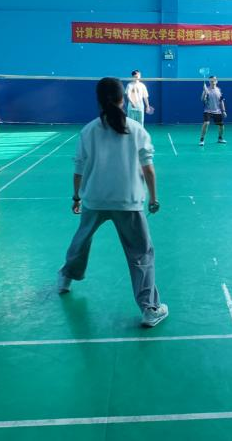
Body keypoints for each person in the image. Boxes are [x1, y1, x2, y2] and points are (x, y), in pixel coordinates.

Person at [58, 77, 168, 328]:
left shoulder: (88, 131)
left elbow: (78, 169)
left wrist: (76, 197)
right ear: (123, 100)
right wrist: (153, 198)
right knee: (141, 253)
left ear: (98, 101)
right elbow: (149, 170)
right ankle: (150, 309)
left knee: (81, 240)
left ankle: (65, 278)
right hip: (128, 202)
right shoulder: (137, 130)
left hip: (94, 199)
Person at [199, 75, 227, 146]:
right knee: (206, 123)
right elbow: (202, 99)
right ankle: (202, 139)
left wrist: (223, 111)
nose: (212, 82)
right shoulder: (206, 89)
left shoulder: (219, 90)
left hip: (217, 111)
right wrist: (205, 91)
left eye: (214, 80)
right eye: (211, 81)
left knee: (221, 125)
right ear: (209, 82)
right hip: (208, 110)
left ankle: (220, 138)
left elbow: (221, 101)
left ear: (216, 81)